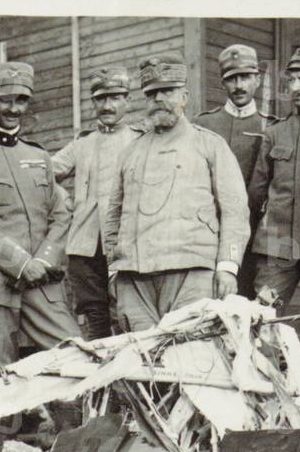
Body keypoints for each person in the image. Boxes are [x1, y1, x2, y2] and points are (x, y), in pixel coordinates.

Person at [104, 54, 249, 331]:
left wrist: (228, 265)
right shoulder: (130, 152)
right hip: (134, 279)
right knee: (141, 361)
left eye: (167, 91)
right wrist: (114, 270)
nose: (159, 99)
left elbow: (235, 210)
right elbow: (114, 216)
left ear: (184, 96)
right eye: (152, 94)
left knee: (192, 357)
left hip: (191, 273)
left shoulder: (209, 145)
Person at [0, 61, 81, 369]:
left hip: (42, 285)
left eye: (21, 100)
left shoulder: (39, 157)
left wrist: (45, 261)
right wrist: (22, 264)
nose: (13, 109)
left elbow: (61, 214)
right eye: (4, 100)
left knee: (76, 360)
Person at [52, 66, 144, 340]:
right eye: (101, 99)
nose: (108, 105)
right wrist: (63, 197)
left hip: (128, 241)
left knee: (130, 312)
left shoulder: (139, 141)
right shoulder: (83, 144)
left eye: (115, 98)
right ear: (93, 103)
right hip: (86, 244)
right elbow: (42, 172)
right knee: (94, 316)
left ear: (127, 101)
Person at [247, 46, 300, 311]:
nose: (295, 87)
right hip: (276, 240)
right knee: (262, 315)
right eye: (291, 80)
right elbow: (256, 193)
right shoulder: (275, 132)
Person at [194, 43, 278, 297]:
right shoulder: (203, 124)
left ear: (258, 80)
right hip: (208, 231)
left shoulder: (271, 126)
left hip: (256, 234)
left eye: (246, 77)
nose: (239, 85)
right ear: (223, 83)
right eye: (232, 79)